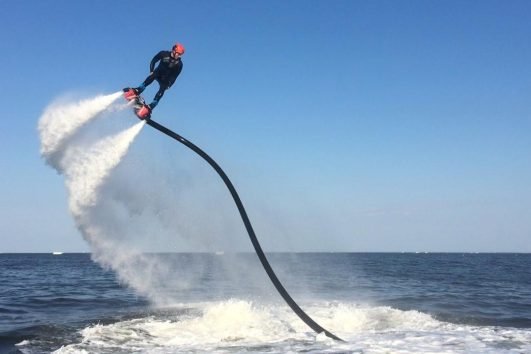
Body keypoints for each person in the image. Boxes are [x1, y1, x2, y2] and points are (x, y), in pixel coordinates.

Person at [124, 43, 185, 114]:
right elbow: (154, 60)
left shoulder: (179, 64)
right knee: (152, 76)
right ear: (173, 50)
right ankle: (138, 90)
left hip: (165, 79)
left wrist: (169, 84)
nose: (178, 55)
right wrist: (151, 70)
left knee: (162, 90)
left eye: (180, 54)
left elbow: (175, 76)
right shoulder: (163, 54)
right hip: (157, 73)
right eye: (177, 53)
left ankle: (151, 106)